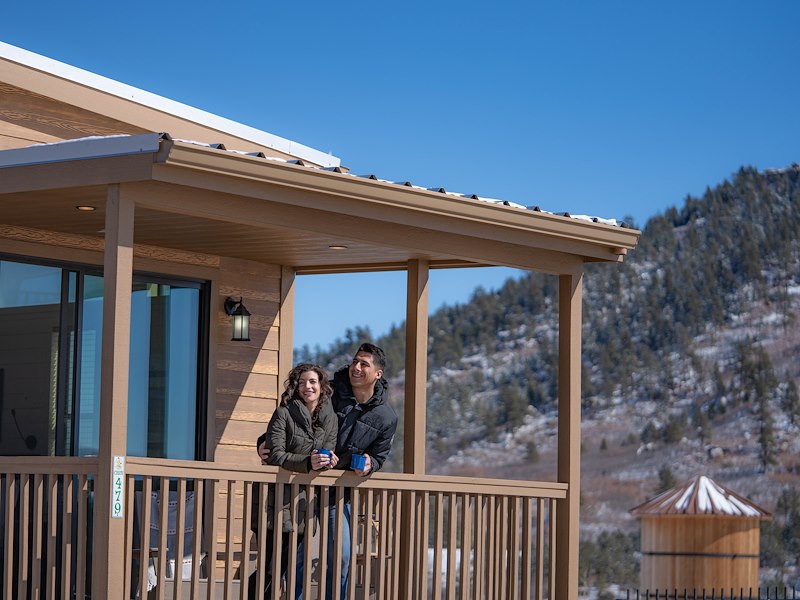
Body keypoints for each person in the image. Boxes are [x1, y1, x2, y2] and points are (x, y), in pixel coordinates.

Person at [257, 342, 398, 600]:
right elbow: (290, 420)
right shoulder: (328, 391)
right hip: (302, 486)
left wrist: (371, 464)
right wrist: (262, 443)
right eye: (355, 361)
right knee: (298, 556)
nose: (356, 367)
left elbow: (379, 456)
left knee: (342, 555)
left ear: (378, 374)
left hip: (337, 493)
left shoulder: (386, 417)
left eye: (364, 364)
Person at [250, 363, 338, 600]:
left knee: (285, 568)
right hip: (273, 501)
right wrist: (309, 462)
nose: (307, 386)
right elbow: (274, 454)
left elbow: (327, 450)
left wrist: (328, 461)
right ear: (295, 387)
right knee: (270, 568)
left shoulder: (331, 419)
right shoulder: (283, 413)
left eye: (312, 382)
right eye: (301, 382)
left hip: (303, 503)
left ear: (322, 386)